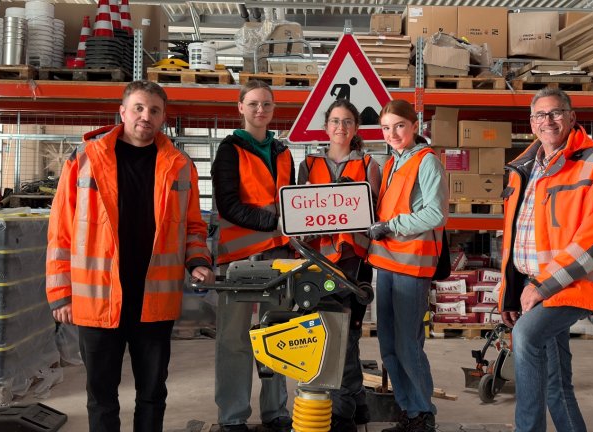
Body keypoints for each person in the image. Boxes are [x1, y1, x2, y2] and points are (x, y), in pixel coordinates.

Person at [46, 80, 213, 432]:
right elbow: (60, 231)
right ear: (122, 112)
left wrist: (199, 261)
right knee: (101, 396)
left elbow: (194, 227)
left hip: (153, 301)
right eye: (138, 108)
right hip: (98, 300)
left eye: (154, 110)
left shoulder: (180, 166)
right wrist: (60, 293)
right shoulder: (85, 159)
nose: (145, 116)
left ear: (163, 117)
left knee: (152, 393)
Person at [498, 87, 593, 432]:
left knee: (525, 336)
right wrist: (512, 292)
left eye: (556, 113)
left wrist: (542, 286)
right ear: (531, 123)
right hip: (531, 283)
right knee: (556, 381)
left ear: (571, 117)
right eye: (541, 115)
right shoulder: (523, 169)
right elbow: (515, 236)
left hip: (575, 284)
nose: (548, 121)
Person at [211, 80, 293, 432]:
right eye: (254, 104)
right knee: (234, 339)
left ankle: (275, 412)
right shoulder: (230, 150)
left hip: (279, 256)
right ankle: (232, 418)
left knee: (277, 333)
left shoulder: (284, 151)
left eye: (268, 105)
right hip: (240, 259)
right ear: (240, 107)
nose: (261, 110)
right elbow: (228, 206)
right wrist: (275, 221)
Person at [296, 99, 381, 432]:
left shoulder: (369, 165)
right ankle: (356, 404)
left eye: (347, 122)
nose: (341, 128)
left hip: (352, 263)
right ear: (326, 126)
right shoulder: (309, 164)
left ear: (356, 128)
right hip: (317, 263)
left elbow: (371, 213)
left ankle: (344, 412)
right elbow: (300, 209)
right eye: (335, 121)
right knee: (333, 335)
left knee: (346, 336)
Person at [367, 99, 447, 432]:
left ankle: (422, 413)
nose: (393, 133)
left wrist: (390, 226)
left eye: (399, 125)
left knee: (407, 344)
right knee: (388, 344)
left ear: (414, 126)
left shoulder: (427, 162)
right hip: (386, 265)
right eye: (386, 128)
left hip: (412, 267)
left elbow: (435, 213)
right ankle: (408, 410)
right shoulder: (391, 163)